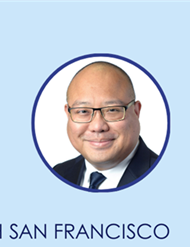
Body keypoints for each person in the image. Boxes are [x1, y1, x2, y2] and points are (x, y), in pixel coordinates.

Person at [52, 61, 158, 190]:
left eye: (112, 110)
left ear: (136, 111)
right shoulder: (58, 174)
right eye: (83, 111)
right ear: (68, 115)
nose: (97, 126)